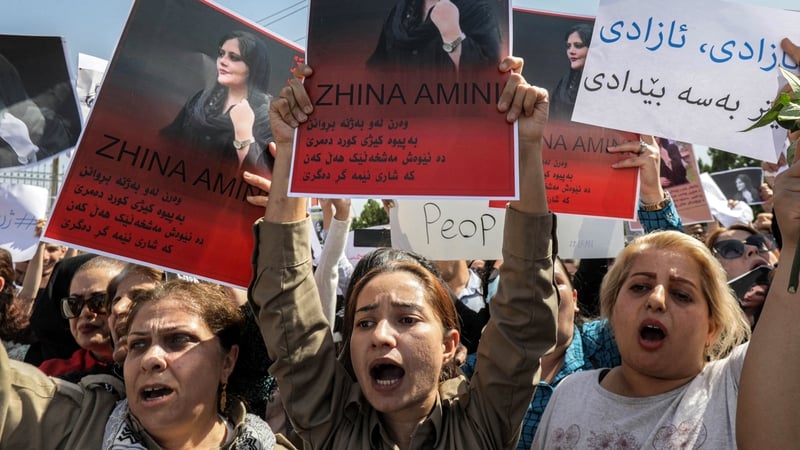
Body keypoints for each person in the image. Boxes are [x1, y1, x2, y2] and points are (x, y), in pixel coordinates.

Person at [248, 56, 557, 449]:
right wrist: (295, 151)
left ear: (449, 345)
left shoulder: (481, 422)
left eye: (406, 319)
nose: (380, 335)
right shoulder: (331, 421)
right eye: (363, 323)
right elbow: (286, 297)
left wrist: (526, 148)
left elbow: (525, 313)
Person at [531, 228, 752, 449]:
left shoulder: (736, 386)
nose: (656, 299)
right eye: (639, 287)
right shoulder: (570, 391)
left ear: (711, 328)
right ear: (613, 310)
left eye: (681, 294)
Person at [0, 278, 277, 449]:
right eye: (138, 344)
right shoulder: (76, 424)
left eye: (179, 339)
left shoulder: (265, 445)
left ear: (227, 361)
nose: (151, 359)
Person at [162, 30, 274, 177]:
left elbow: (259, 177)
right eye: (221, 54)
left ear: (253, 68)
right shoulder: (201, 100)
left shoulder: (269, 117)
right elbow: (167, 142)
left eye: (233, 57)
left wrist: (244, 133)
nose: (223, 61)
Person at [38, 256, 125, 382]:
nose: (85, 313)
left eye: (100, 301)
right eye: (73, 304)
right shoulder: (50, 374)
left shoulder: (154, 364)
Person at [367, 0, 501, 73]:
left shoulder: (479, 11)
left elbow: (489, 80)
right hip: (401, 117)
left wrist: (453, 35)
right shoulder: (399, 13)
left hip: (449, 120)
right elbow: (376, 70)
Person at [0, 53, 73, 166]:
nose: (50, 94)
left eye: (56, 97)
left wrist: (26, 150)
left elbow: (54, 171)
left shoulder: (51, 129)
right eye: (51, 92)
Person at [550, 23, 593, 121]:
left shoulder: (606, 83)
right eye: (568, 46)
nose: (571, 51)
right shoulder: (564, 82)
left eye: (578, 46)